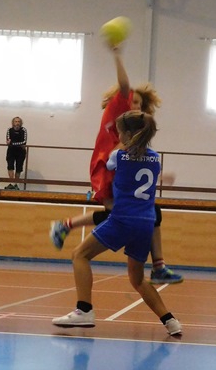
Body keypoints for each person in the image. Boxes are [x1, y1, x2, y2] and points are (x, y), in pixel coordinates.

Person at [50, 42, 183, 284]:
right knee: (129, 214)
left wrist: (160, 176)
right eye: (133, 101)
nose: (135, 106)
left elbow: (141, 167)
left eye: (139, 104)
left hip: (117, 167)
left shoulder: (134, 133)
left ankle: (65, 225)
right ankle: (158, 267)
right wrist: (117, 54)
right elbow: (124, 86)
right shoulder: (118, 109)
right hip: (104, 166)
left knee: (133, 214)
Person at [51, 110, 183, 336]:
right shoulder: (155, 158)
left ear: (129, 134)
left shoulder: (118, 156)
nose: (118, 136)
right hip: (146, 223)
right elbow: (139, 171)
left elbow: (106, 167)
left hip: (123, 219)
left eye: (120, 133)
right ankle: (171, 321)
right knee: (137, 279)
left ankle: (84, 310)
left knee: (80, 255)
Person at [5, 116, 27, 189]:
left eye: (18, 122)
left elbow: (24, 141)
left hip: (21, 151)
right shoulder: (10, 130)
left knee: (19, 167)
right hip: (11, 150)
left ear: (21, 123)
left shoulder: (23, 130)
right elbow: (8, 140)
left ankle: (15, 184)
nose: (17, 123)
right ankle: (11, 183)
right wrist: (12, 143)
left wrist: (12, 143)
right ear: (13, 123)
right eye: (16, 121)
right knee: (10, 166)